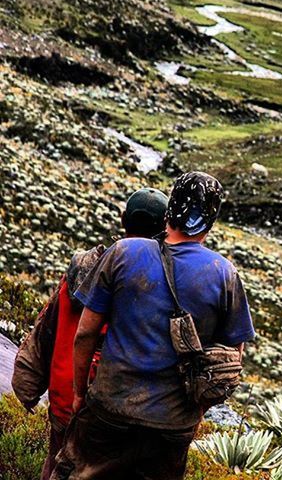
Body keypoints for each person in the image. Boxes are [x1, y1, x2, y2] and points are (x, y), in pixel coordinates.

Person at [52, 171, 255, 480]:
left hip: (109, 410)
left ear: (170, 210)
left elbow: (85, 334)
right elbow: (231, 358)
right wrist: (194, 413)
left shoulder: (123, 253)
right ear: (211, 220)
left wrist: (81, 393)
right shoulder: (224, 273)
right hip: (172, 427)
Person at [12, 187, 169, 480]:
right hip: (109, 411)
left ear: (123, 219)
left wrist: (28, 383)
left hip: (63, 398)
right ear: (165, 229)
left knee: (55, 465)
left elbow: (46, 329)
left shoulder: (80, 267)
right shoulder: (157, 282)